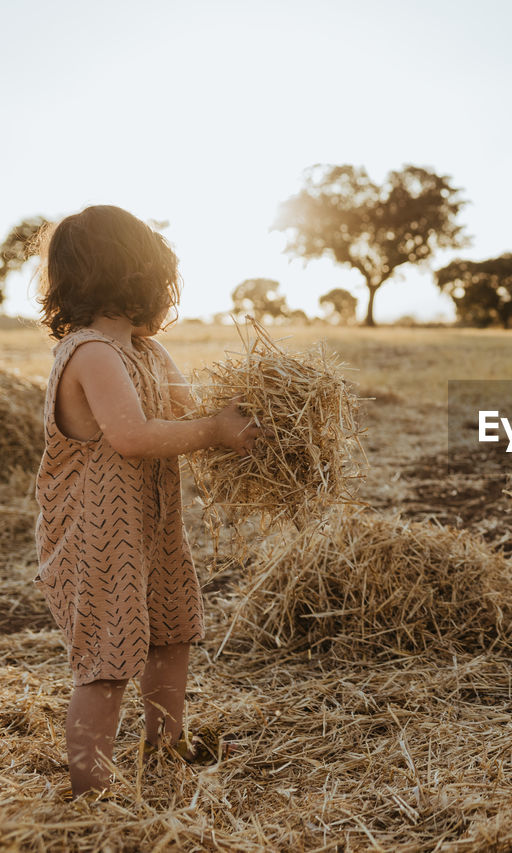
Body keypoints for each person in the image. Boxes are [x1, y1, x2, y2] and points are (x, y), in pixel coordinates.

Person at [32, 205, 259, 798]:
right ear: (132, 277)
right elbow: (133, 437)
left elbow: (188, 412)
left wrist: (249, 415)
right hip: (96, 533)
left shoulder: (148, 353)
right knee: (108, 657)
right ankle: (91, 787)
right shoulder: (92, 354)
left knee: (171, 631)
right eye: (162, 280)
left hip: (152, 527)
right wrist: (214, 430)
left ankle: (165, 743)